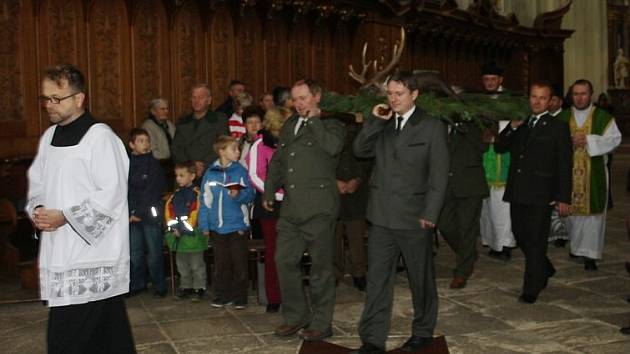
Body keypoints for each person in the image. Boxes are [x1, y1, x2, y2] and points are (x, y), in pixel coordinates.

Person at [28, 64, 135, 353]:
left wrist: (65, 217)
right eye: (46, 98)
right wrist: (37, 208)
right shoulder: (49, 138)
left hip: (93, 254)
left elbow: (111, 194)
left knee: (69, 338)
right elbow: (37, 184)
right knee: (108, 334)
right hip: (60, 250)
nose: (49, 105)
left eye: (56, 98)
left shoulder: (101, 137)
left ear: (79, 98)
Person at [351, 72, 449, 354]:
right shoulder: (383, 123)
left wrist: (430, 212)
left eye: (399, 94)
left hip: (415, 216)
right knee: (378, 279)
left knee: (421, 279)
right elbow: (360, 150)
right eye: (390, 94)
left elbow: (439, 175)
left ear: (414, 94)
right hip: (381, 216)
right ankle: (372, 339)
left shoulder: (431, 126)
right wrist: (375, 121)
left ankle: (422, 332)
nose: (393, 99)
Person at [263, 79, 344, 341]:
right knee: (284, 260)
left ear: (316, 97)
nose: (298, 103)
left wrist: (314, 121)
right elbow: (279, 159)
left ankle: (321, 322)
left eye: (303, 98)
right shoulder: (289, 125)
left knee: (321, 268)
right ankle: (296, 316)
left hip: (319, 208)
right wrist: (269, 189)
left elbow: (332, 148)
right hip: (292, 208)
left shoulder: (332, 124)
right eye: (295, 99)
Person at [494, 82, 573, 304]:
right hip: (518, 190)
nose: (536, 101)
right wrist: (512, 127)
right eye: (533, 97)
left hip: (542, 193)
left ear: (550, 101)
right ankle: (544, 267)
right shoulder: (522, 122)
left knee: (537, 240)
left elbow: (564, 164)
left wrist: (563, 197)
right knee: (520, 235)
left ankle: (532, 287)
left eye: (542, 98)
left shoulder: (558, 127)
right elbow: (500, 147)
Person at [557, 79, 622, 270]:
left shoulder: (603, 117)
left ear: (591, 94)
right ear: (571, 95)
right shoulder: (562, 116)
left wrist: (589, 140)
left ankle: (591, 255)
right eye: (575, 94)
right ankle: (576, 248)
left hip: (594, 173)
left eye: (583, 93)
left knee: (593, 217)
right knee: (571, 214)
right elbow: (551, 142)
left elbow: (615, 140)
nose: (579, 97)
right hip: (567, 173)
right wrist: (568, 141)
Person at [199, 135, 255, 309]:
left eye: (238, 149)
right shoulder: (210, 173)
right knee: (221, 264)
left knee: (239, 263)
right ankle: (223, 295)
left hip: (237, 226)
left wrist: (239, 195)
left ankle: (240, 297)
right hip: (217, 228)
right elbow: (205, 201)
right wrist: (205, 225)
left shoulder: (240, 172)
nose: (238, 152)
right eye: (234, 149)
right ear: (221, 151)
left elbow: (250, 195)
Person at [438, 120, 489, 289]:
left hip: (470, 185)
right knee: (445, 225)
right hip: (445, 185)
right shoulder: (437, 124)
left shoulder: (475, 124)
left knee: (467, 228)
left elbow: (483, 147)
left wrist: (466, 129)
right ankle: (468, 254)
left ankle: (462, 271)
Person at [245, 108, 286, 313]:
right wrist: (276, 194)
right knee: (273, 252)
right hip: (269, 204)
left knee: (290, 251)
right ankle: (274, 297)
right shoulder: (259, 144)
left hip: (291, 203)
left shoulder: (290, 140)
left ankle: (291, 294)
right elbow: (255, 175)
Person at [479, 62, 516, 261]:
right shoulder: (479, 99)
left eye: (493, 79)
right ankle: (492, 242)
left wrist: (497, 135)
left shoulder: (510, 100)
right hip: (484, 155)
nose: (490, 82)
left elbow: (516, 124)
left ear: (500, 80)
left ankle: (505, 244)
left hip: (503, 156)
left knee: (501, 204)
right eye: (486, 79)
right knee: (486, 204)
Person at [127, 128, 167, 297]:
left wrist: (139, 212)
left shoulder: (154, 165)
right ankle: (137, 284)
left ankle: (159, 286)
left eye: (147, 140)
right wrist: (129, 212)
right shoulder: (126, 163)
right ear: (132, 145)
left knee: (154, 252)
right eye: (140, 141)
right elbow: (124, 189)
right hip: (131, 215)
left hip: (149, 214)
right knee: (135, 253)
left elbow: (152, 192)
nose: (145, 144)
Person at [334, 122, 370, 292]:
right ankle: (334, 273)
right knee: (332, 239)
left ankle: (359, 274)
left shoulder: (359, 137)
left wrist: (357, 180)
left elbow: (368, 165)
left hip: (356, 196)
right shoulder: (328, 136)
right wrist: (333, 181)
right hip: (332, 197)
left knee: (356, 239)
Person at [164, 161, 207, 301]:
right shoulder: (175, 195)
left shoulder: (196, 194)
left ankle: (199, 287)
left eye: (182, 175)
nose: (178, 178)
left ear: (192, 176)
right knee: (181, 265)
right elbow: (168, 212)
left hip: (193, 236)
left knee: (196, 264)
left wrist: (181, 229)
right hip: (179, 237)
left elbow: (195, 214)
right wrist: (173, 228)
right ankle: (186, 286)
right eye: (177, 176)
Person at [171, 84, 229, 180]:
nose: (196, 101)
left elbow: (223, 145)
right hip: (186, 172)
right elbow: (176, 149)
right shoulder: (183, 121)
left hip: (212, 170)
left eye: (201, 97)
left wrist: (203, 165)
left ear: (209, 100)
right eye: (194, 97)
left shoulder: (219, 119)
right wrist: (192, 165)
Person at [548, 85, 570, 248]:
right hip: (548, 165)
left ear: (560, 102)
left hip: (560, 163)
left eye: (554, 100)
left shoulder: (565, 118)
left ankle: (562, 234)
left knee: (560, 199)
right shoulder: (545, 117)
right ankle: (552, 232)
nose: (550, 103)